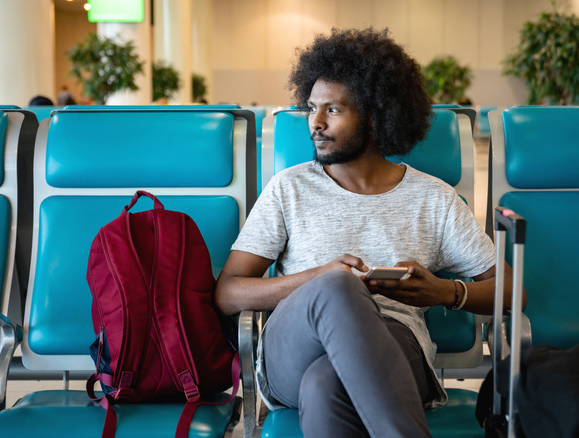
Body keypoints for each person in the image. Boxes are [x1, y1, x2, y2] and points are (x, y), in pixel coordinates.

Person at [215, 27, 525, 437]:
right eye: (312, 108)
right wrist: (317, 279)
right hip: (293, 348)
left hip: (396, 343)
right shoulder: (290, 188)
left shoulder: (434, 198)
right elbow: (228, 293)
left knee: (326, 384)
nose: (315, 123)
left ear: (377, 116)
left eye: (334, 110)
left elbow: (512, 290)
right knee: (337, 289)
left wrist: (444, 292)